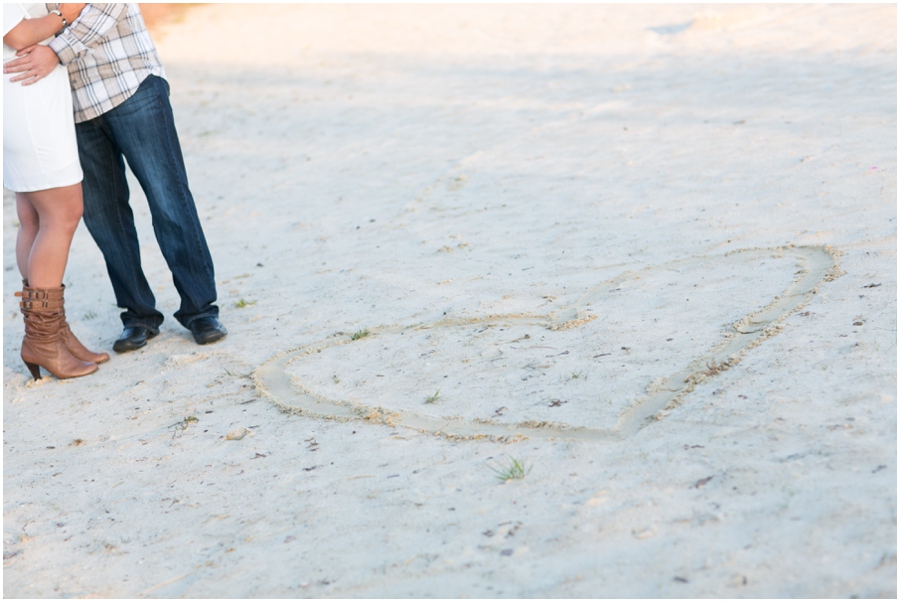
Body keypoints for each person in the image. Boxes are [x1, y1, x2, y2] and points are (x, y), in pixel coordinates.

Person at [4, 3, 227, 353]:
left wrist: (55, 52)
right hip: (71, 107)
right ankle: (138, 315)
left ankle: (200, 309)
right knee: (105, 218)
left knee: (168, 199)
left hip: (128, 82)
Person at [4, 2, 108, 380]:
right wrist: (67, 14)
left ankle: (53, 332)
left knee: (33, 219)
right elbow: (16, 33)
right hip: (28, 102)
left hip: (24, 97)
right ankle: (43, 340)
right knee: (63, 214)